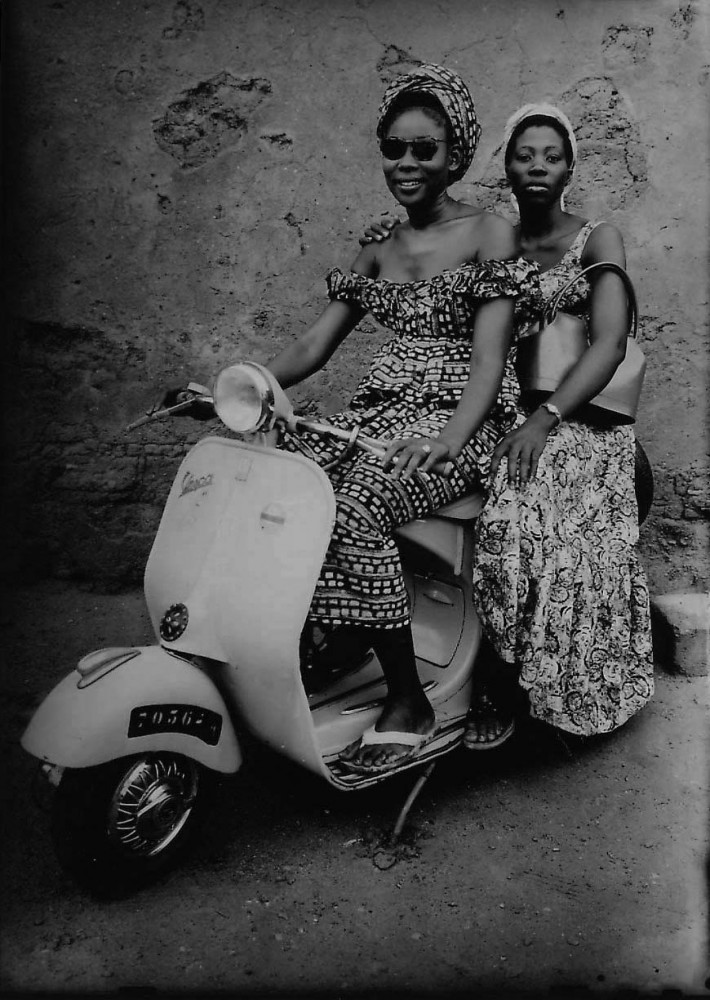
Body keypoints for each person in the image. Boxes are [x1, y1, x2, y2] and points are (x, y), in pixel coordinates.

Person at [172, 65, 537, 773]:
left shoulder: (490, 232)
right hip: (380, 412)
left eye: (425, 150)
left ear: (456, 154)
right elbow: (315, 343)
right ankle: (328, 646)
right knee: (287, 487)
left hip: (461, 418)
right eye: (394, 148)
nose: (406, 164)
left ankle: (409, 697)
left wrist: (449, 438)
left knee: (355, 506)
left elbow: (491, 361)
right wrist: (235, 386)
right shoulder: (377, 243)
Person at [361, 102, 654, 746]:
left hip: (577, 420)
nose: (538, 167)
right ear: (506, 166)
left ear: (570, 166)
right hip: (505, 409)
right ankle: (480, 665)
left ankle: (510, 684)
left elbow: (608, 343)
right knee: (479, 505)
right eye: (525, 155)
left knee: (522, 510)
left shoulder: (596, 237)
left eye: (552, 156)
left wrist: (546, 419)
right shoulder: (494, 238)